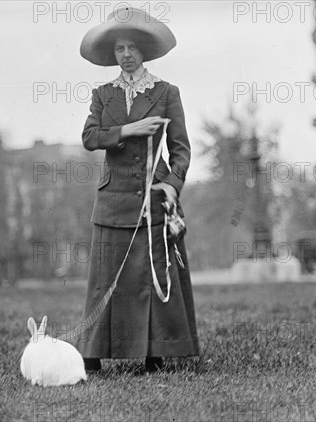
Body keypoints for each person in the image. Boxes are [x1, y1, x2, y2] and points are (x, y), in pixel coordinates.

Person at [77, 7, 199, 373]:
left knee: (149, 275)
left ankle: (154, 354)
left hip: (150, 196)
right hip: (112, 200)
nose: (126, 54)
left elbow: (180, 149)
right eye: (119, 49)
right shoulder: (103, 94)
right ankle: (92, 354)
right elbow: (89, 137)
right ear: (113, 55)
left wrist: (171, 184)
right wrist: (129, 130)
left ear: (143, 50)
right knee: (105, 279)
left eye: (131, 47)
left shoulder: (166, 92)